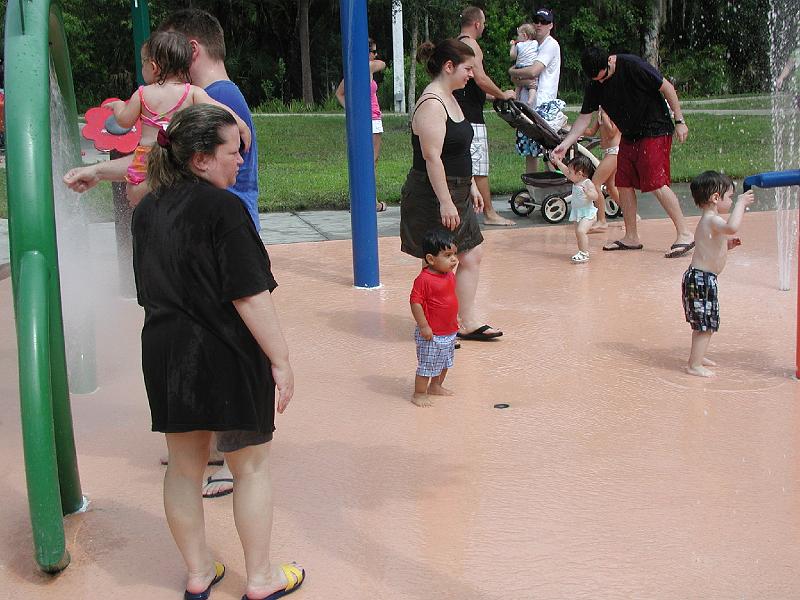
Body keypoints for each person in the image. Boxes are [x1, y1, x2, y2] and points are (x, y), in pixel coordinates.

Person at [64, 9, 260, 498]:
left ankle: (227, 459)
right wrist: (99, 172)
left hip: (213, 241)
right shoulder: (198, 101)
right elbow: (156, 163)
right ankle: (212, 448)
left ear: (186, 52)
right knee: (203, 341)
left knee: (224, 346)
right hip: (198, 237)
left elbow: (175, 160)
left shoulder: (214, 99)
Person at [132, 104, 304, 600]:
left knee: (184, 467)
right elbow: (249, 294)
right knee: (250, 466)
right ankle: (261, 578)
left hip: (164, 352)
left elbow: (146, 289)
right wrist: (281, 359)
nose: (241, 162)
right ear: (202, 159)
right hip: (223, 350)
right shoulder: (225, 210)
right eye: (235, 152)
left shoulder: (147, 209)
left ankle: (198, 571)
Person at [400, 39, 503, 343]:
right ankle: (435, 326)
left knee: (471, 254)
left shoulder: (451, 96)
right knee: (438, 263)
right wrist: (446, 201)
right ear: (449, 67)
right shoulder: (432, 103)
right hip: (433, 193)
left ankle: (465, 320)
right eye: (468, 68)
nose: (472, 74)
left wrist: (470, 184)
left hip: (456, 190)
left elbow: (456, 151)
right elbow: (432, 157)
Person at [553, 46, 694, 258]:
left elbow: (667, 88)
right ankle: (631, 237)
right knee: (623, 182)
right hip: (630, 134)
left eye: (604, 77)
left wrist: (680, 121)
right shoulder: (595, 83)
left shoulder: (632, 65)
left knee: (656, 182)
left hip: (655, 128)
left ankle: (685, 234)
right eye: (597, 80)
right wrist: (566, 143)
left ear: (609, 62)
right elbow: (584, 119)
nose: (601, 83)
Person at [107, 30, 251, 207]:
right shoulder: (192, 93)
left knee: (135, 194)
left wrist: (118, 106)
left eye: (142, 63)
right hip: (176, 158)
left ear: (153, 67)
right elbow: (219, 108)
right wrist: (241, 124)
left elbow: (124, 121)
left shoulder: (142, 94)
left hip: (147, 159)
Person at [682, 171, 755, 377]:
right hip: (702, 279)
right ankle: (694, 365)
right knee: (705, 324)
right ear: (716, 198)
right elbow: (732, 227)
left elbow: (711, 247)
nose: (732, 201)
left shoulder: (710, 222)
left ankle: (698, 355)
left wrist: (726, 246)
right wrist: (742, 203)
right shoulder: (712, 220)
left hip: (702, 278)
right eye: (730, 197)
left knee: (707, 322)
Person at [455, 6, 517, 227]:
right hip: (471, 116)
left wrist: (491, 97)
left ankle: (467, 211)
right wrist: (503, 95)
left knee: (461, 163)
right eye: (484, 23)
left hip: (460, 111)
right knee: (479, 167)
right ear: (477, 24)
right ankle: (489, 213)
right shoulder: (472, 45)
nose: (485, 27)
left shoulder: (457, 44)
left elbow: (471, 84)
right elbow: (480, 79)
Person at [509, 7, 564, 175]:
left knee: (548, 151)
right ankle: (533, 189)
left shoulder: (550, 44)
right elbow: (519, 76)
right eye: (537, 20)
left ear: (551, 26)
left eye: (544, 22)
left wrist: (512, 71)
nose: (539, 24)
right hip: (527, 104)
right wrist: (517, 75)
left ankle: (557, 186)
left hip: (543, 104)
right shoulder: (529, 45)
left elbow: (533, 71)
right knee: (529, 151)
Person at [336, 37, 388, 212]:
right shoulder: (367, 66)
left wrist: (353, 111)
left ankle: (358, 200)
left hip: (362, 119)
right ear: (366, 53)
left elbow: (340, 94)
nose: (376, 55)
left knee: (361, 160)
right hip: (372, 118)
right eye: (373, 51)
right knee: (371, 161)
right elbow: (383, 64)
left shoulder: (352, 69)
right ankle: (369, 201)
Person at [410, 229, 460, 407]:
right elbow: (415, 302)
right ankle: (419, 393)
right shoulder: (424, 279)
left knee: (445, 362)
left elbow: (450, 299)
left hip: (449, 330)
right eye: (447, 255)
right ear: (431, 259)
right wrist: (423, 325)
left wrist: (456, 318)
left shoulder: (449, 275)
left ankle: (436, 386)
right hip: (431, 333)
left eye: (454, 253)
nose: (454, 259)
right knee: (427, 365)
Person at [550, 154, 598, 263]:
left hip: (588, 214)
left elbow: (596, 196)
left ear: (580, 173)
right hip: (577, 213)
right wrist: (557, 162)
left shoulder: (587, 183)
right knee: (578, 233)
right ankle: (582, 250)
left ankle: (584, 253)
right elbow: (565, 170)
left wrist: (588, 193)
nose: (568, 174)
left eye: (570, 172)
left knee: (581, 231)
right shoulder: (576, 181)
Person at [582, 106, 620, 232]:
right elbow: (591, 131)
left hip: (614, 152)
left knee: (595, 184)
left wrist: (605, 116)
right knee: (610, 187)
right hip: (608, 152)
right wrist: (571, 129)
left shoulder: (614, 110)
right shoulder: (600, 113)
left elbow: (612, 133)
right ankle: (631, 214)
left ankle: (602, 220)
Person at [509, 23, 539, 108]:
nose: (517, 38)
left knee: (518, 86)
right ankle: (530, 101)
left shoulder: (519, 45)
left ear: (525, 35)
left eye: (518, 35)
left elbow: (512, 56)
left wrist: (512, 46)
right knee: (533, 86)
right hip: (530, 68)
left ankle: (515, 99)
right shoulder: (535, 43)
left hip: (520, 69)